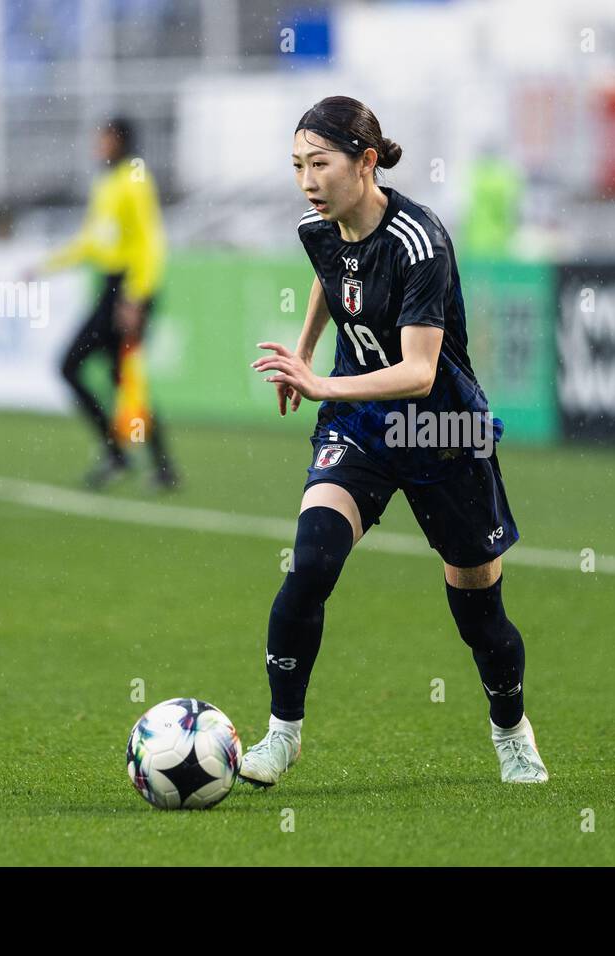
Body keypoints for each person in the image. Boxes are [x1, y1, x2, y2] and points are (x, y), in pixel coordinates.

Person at [242, 96, 548, 786]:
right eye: (297, 166)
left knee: (479, 612)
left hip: (442, 430)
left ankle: (512, 732)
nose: (307, 181)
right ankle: (281, 735)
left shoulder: (420, 240)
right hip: (360, 427)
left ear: (366, 162)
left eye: (320, 163)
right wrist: (303, 354)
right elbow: (332, 279)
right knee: (311, 563)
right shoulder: (317, 228)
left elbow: (418, 374)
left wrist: (321, 384)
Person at [36, 117, 179, 490]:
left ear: (120, 140)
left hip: (128, 290)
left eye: (103, 138)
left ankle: (123, 456)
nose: (97, 145)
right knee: (121, 379)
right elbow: (91, 242)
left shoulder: (134, 180)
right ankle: (151, 465)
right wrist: (45, 266)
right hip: (111, 288)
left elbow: (150, 242)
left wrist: (136, 296)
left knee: (79, 367)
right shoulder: (107, 183)